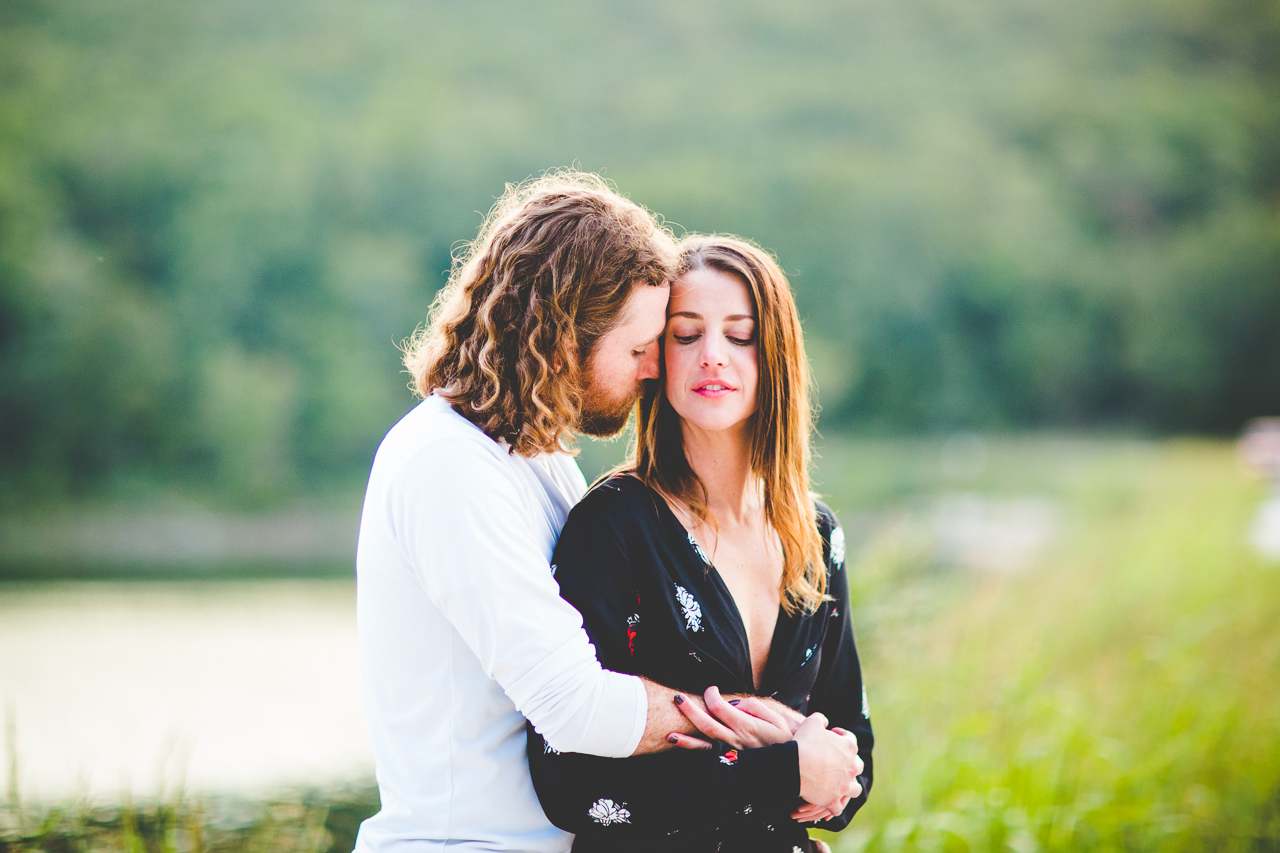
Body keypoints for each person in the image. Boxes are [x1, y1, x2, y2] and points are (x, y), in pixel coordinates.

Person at [353, 176, 862, 853]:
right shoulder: (446, 463)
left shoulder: (540, 463)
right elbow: (574, 705)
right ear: (564, 335)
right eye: (644, 344)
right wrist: (773, 748)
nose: (655, 368)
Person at [528, 235, 874, 853]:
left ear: (777, 355)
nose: (712, 355)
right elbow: (568, 783)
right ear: (656, 355)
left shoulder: (816, 534)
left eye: (739, 335)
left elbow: (854, 756)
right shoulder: (612, 527)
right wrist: (785, 768)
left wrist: (824, 775)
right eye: (686, 334)